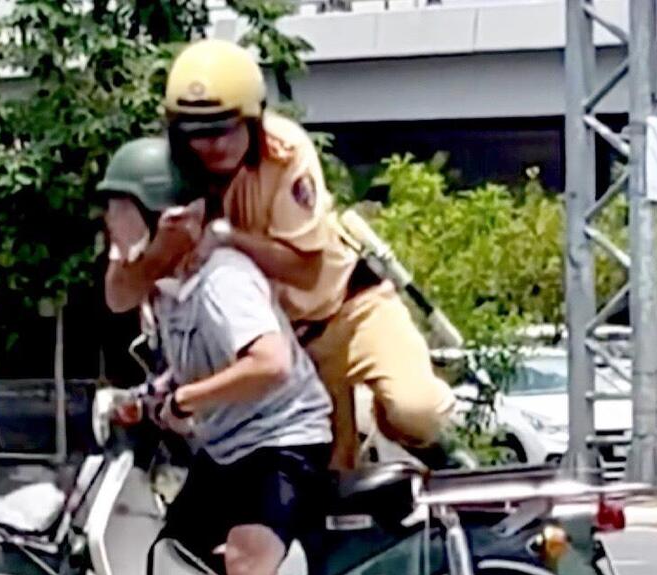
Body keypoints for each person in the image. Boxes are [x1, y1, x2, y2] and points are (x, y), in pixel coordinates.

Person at [99, 136, 343, 575]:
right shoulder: (168, 280)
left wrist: (186, 400)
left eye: (121, 209)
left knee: (246, 564)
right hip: (229, 445)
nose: (110, 225)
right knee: (165, 558)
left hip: (283, 441)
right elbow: (118, 295)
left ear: (166, 214)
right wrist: (155, 395)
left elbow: (269, 363)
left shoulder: (223, 280)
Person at [106, 38, 457, 472]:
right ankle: (353, 442)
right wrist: (159, 250)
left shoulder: (284, 151)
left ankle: (415, 442)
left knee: (415, 412)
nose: (213, 144)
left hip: (347, 307)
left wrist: (227, 238)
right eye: (196, 132)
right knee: (323, 481)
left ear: (254, 120)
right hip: (287, 349)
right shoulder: (160, 173)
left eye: (226, 127)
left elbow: (307, 272)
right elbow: (119, 296)